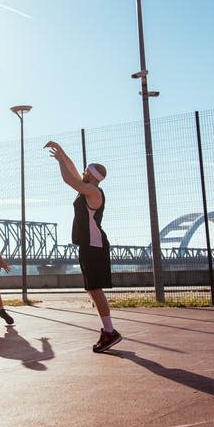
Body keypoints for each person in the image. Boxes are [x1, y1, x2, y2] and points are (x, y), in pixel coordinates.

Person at [44, 141, 121, 353]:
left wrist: (60, 161)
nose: (83, 172)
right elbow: (74, 172)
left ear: (93, 176)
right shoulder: (87, 188)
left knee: (95, 289)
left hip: (94, 245)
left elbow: (69, 178)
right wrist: (62, 153)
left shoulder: (93, 192)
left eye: (87, 170)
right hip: (88, 246)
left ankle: (110, 332)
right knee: (92, 290)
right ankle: (108, 330)